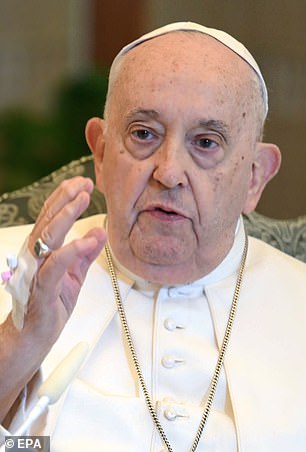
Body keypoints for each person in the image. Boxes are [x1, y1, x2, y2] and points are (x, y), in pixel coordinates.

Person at [0, 21, 305, 452]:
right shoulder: (12, 271)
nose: (169, 172)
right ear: (101, 154)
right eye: (144, 134)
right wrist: (20, 343)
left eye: (205, 142)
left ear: (254, 176)